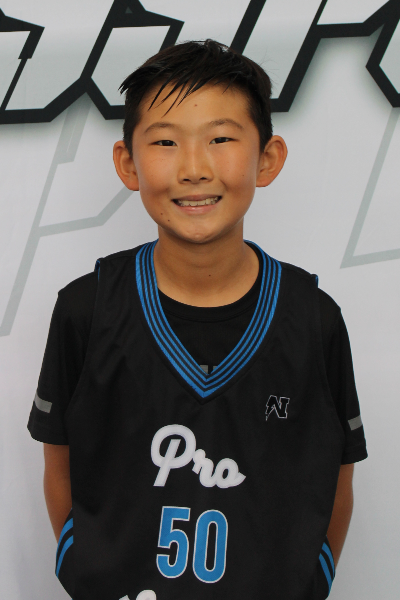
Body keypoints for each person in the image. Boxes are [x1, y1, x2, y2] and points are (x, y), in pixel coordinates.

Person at [28, 39, 367, 600]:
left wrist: (311, 579)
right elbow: (60, 463)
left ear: (267, 158)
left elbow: (338, 475)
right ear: (128, 163)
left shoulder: (314, 318)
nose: (193, 168)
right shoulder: (85, 310)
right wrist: (84, 569)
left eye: (221, 139)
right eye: (165, 141)